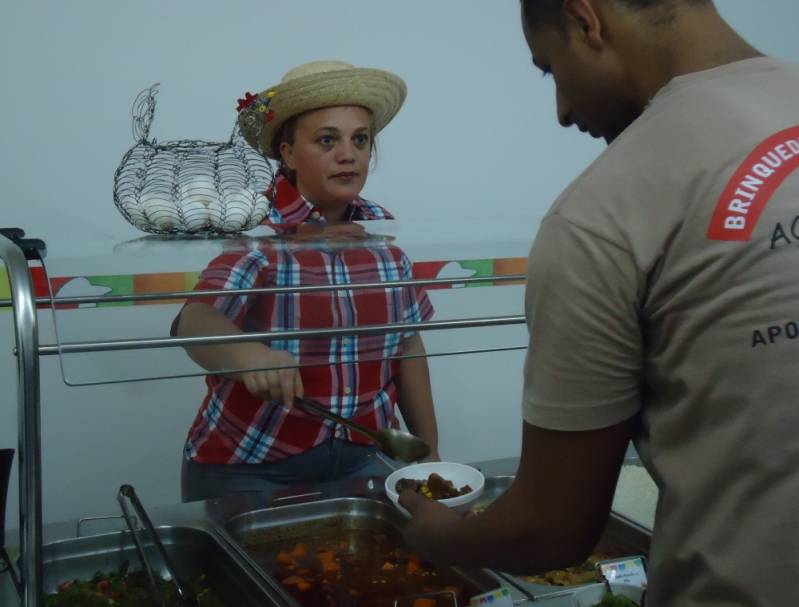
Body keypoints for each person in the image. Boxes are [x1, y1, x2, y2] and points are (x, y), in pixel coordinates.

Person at [399, 1, 799, 605]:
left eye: (549, 68)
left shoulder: (601, 214)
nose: (561, 111)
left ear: (586, 19)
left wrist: (445, 536)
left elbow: (549, 530)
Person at [176, 60, 440, 502]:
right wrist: (248, 354)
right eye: (326, 140)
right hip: (249, 466)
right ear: (288, 152)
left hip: (364, 457)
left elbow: (408, 345)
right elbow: (194, 321)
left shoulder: (384, 239)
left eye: (360, 139)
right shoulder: (256, 229)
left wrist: (430, 455)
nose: (348, 154)